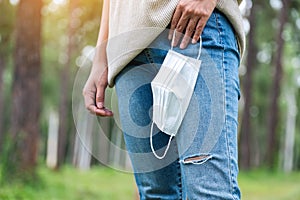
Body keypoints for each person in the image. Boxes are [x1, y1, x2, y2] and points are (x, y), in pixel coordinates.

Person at [83, 0, 245, 199]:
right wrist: (100, 56)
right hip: (126, 48)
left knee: (209, 193)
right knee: (155, 195)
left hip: (194, 28)